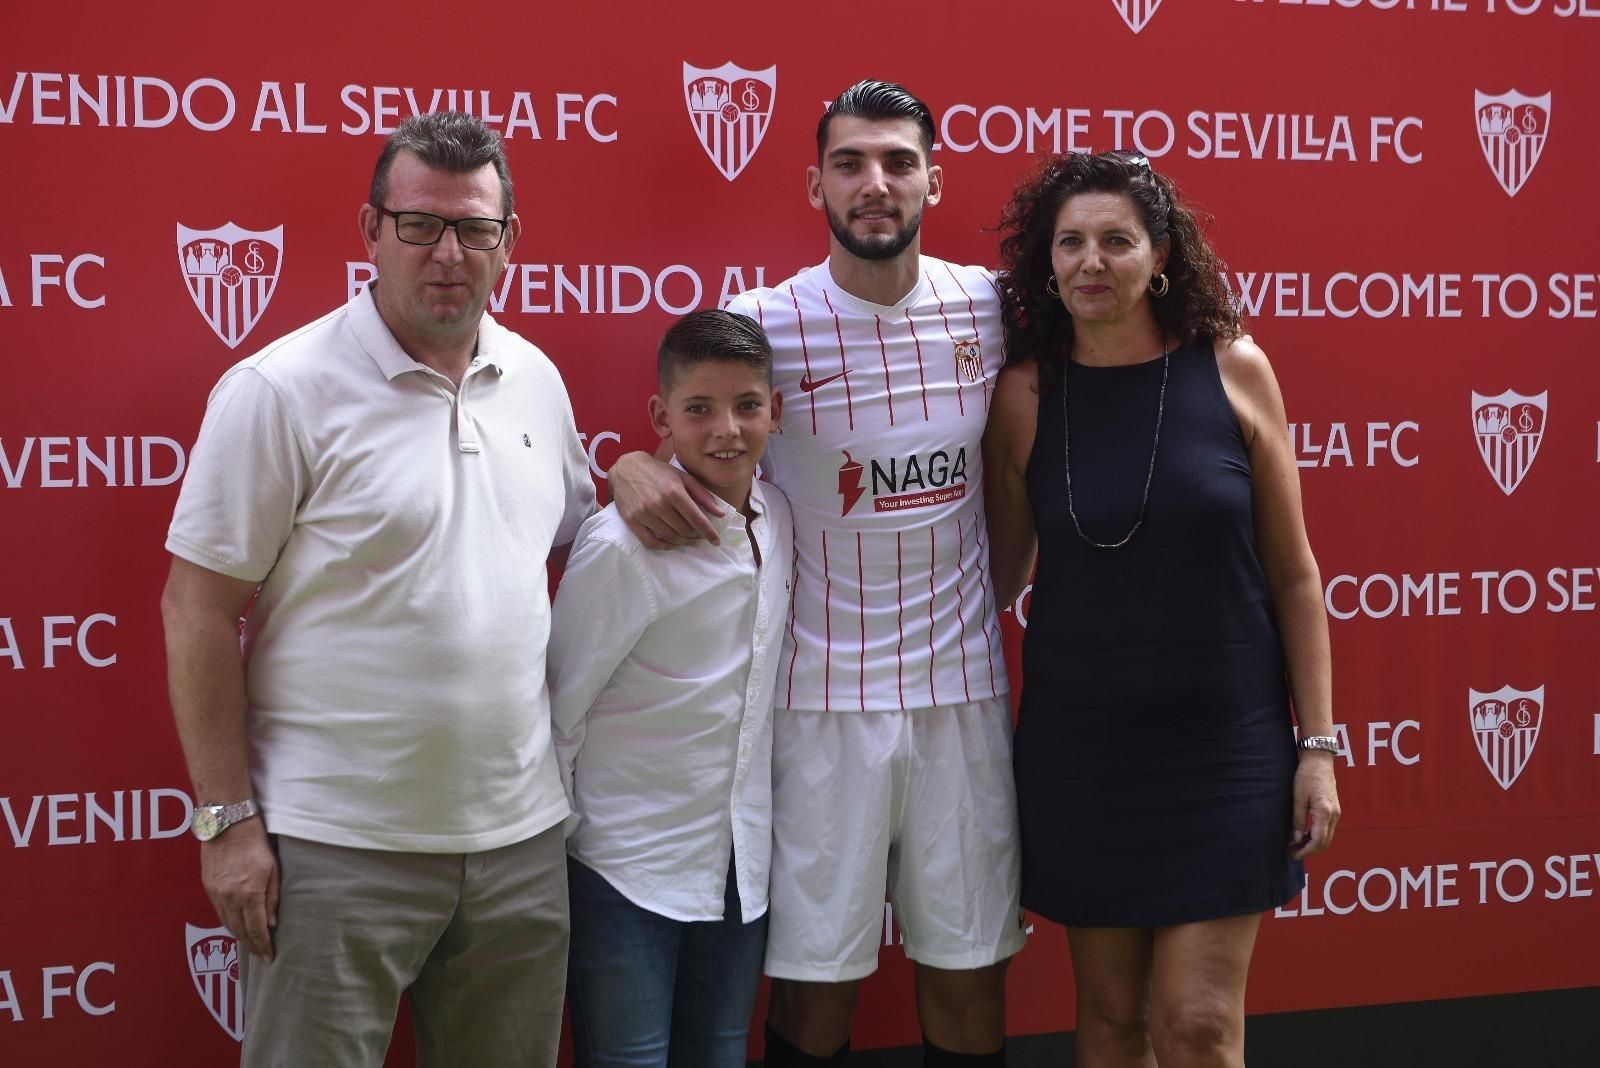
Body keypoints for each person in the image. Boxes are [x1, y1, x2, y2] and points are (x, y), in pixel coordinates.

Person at [160, 111, 596, 1067]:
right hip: (332, 848)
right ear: (370, 231)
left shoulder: (536, 380)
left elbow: (581, 542)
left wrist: (642, 476)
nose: (449, 253)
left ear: (509, 241)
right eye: (419, 224)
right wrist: (227, 824)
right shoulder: (280, 389)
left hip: (520, 842)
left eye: (475, 228)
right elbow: (195, 606)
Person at [609, 81, 1024, 1067]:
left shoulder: (994, 306)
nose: (873, 184)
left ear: (932, 177)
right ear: (815, 184)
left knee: (969, 1000)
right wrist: (626, 467)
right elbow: (689, 428)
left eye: (895, 162)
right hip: (818, 709)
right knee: (813, 1012)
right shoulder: (764, 321)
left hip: (959, 700)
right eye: (849, 164)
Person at [984, 150, 1341, 1067]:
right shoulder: (1024, 395)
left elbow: (1295, 575)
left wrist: (1319, 746)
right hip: (1082, 752)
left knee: (1197, 1024)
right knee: (1110, 1024)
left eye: (1115, 240)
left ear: (1162, 254)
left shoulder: (1234, 370)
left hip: (1224, 747)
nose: (1090, 262)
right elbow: (995, 573)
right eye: (1070, 243)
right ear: (1045, 262)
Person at [547, 309, 792, 1068]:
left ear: (775, 412)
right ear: (660, 417)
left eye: (748, 406)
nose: (727, 429)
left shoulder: (779, 517)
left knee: (719, 1054)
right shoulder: (623, 544)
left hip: (738, 864)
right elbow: (561, 705)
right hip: (626, 866)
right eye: (699, 409)